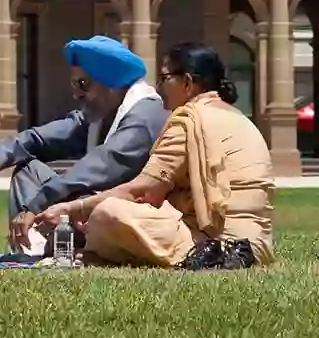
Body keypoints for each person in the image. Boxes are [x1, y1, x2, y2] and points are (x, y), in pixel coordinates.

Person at [37, 42, 274, 270]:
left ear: (188, 83)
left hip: (216, 245)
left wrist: (72, 209)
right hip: (257, 245)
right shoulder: (242, 119)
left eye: (164, 78)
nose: (158, 88)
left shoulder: (188, 121)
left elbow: (143, 191)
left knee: (106, 213)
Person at [0, 35, 168, 254]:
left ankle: (49, 245)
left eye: (83, 84)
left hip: (132, 213)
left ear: (112, 83)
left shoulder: (144, 116)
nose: (76, 93)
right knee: (29, 170)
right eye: (75, 83)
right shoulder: (98, 114)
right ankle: (29, 249)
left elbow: (95, 168)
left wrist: (34, 206)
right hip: (95, 207)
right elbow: (37, 138)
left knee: (79, 198)